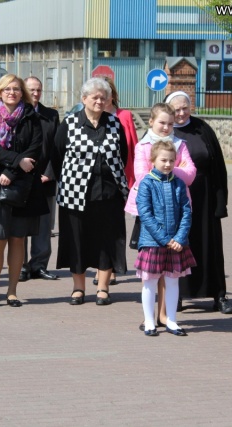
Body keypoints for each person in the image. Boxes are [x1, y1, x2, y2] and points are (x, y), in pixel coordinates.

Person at [0, 73, 46, 308]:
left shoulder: (32, 117)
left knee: (17, 239)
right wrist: (15, 162)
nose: (12, 93)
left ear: (22, 93)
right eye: (7, 89)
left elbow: (34, 149)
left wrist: (12, 172)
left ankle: (12, 291)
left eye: (16, 89)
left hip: (23, 186)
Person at [52, 77, 128, 306]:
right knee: (77, 240)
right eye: (95, 97)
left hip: (109, 193)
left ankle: (103, 287)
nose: (99, 101)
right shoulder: (70, 123)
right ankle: (78, 288)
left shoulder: (115, 123)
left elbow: (122, 155)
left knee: (107, 240)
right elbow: (57, 155)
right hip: (75, 194)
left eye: (103, 98)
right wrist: (70, 179)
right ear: (84, 99)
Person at [125, 103, 196, 329]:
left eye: (170, 124)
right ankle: (150, 318)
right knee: (151, 275)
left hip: (175, 216)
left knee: (172, 274)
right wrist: (175, 167)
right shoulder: (143, 145)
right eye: (162, 123)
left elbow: (190, 174)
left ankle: (167, 316)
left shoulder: (180, 144)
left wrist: (172, 169)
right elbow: (142, 175)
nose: (166, 127)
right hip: (153, 221)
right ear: (151, 122)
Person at [165, 90, 232, 314]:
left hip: (204, 196)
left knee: (210, 245)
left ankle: (219, 295)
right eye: (176, 109)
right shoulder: (165, 130)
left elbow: (218, 166)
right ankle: (176, 296)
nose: (181, 113)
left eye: (185, 108)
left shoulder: (203, 128)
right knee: (179, 244)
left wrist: (221, 200)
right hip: (175, 196)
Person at [136, 141, 196, 337]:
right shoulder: (146, 183)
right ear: (153, 160)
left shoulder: (179, 183)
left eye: (171, 160)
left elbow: (186, 212)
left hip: (176, 243)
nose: (168, 164)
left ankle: (171, 320)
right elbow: (145, 214)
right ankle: (149, 321)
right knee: (149, 282)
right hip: (152, 243)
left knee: (172, 281)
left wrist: (179, 238)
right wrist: (164, 239)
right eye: (163, 160)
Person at [92, 77, 139, 287]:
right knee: (96, 226)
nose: (103, 98)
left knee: (114, 226)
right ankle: (100, 267)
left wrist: (135, 179)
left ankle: (111, 267)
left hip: (120, 180)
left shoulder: (124, 116)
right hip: (94, 181)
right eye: (98, 94)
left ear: (112, 95)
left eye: (107, 93)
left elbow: (134, 147)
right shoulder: (89, 117)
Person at [19, 76, 60, 282]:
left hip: (45, 179)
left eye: (39, 90)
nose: (35, 93)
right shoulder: (16, 113)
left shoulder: (51, 115)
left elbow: (57, 147)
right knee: (21, 226)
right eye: (31, 90)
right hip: (21, 179)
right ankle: (21, 266)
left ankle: (39, 265)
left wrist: (50, 173)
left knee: (44, 226)